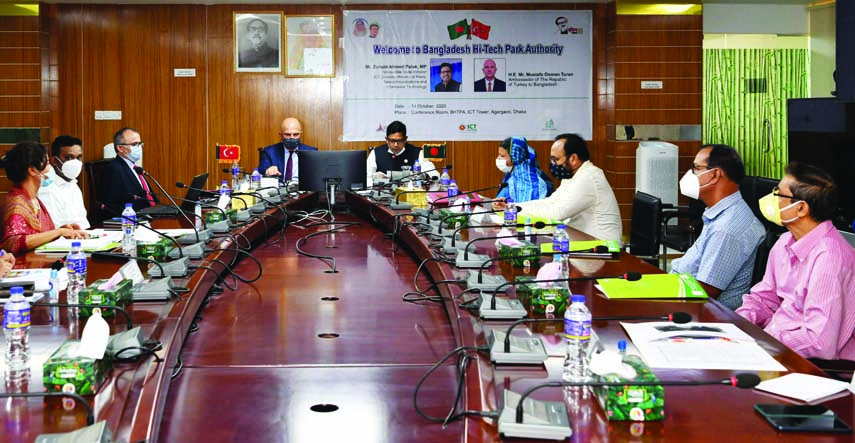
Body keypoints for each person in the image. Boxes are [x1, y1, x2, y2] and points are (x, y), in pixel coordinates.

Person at [737, 163, 855, 360]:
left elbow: (819, 343)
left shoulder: (830, 259)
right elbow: (764, 299)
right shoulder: (785, 241)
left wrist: (763, 341)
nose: (772, 200)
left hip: (812, 366)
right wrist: (737, 325)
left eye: (778, 194)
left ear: (801, 208)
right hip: (773, 349)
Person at [670, 144, 765, 309]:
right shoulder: (720, 214)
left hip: (702, 315)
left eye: (695, 169)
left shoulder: (727, 229)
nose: (689, 175)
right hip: (682, 295)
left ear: (714, 175)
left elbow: (702, 292)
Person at [495, 133, 621, 241]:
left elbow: (557, 212)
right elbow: (550, 202)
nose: (553, 164)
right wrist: (512, 207)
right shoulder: (573, 176)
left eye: (556, 160)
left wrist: (513, 211)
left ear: (573, 158)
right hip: (583, 242)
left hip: (601, 248)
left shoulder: (589, 177)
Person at [0, 141, 87, 256]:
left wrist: (62, 231)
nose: (50, 169)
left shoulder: (33, 199)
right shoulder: (17, 203)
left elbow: (36, 235)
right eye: (46, 165)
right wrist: (57, 232)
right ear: (32, 170)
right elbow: (13, 243)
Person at [99, 127, 160, 216]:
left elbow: (149, 198)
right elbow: (111, 204)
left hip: (153, 216)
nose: (139, 148)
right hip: (134, 221)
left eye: (140, 144)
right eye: (134, 144)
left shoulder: (136, 169)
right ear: (120, 148)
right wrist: (133, 217)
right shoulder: (114, 170)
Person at [38, 135, 90, 229]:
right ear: (54, 161)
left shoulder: (73, 184)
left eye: (78, 157)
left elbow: (83, 221)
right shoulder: (46, 188)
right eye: (69, 158)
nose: (75, 162)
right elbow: (53, 227)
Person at [366, 120, 437, 187]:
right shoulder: (376, 153)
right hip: (382, 195)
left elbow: (434, 175)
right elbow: (366, 176)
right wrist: (374, 177)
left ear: (405, 139)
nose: (396, 144)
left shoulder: (417, 153)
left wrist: (423, 176)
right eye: (392, 141)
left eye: (399, 141)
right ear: (386, 140)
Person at [258, 117, 318, 183]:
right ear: (280, 135)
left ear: (300, 134)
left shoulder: (311, 152)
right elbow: (261, 169)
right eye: (288, 135)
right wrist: (268, 171)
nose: (292, 138)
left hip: (303, 191)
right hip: (279, 190)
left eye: (295, 134)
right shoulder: (270, 151)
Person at [495, 137, 552, 203]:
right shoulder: (514, 176)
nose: (498, 158)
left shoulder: (533, 184)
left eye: (502, 156)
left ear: (515, 157)